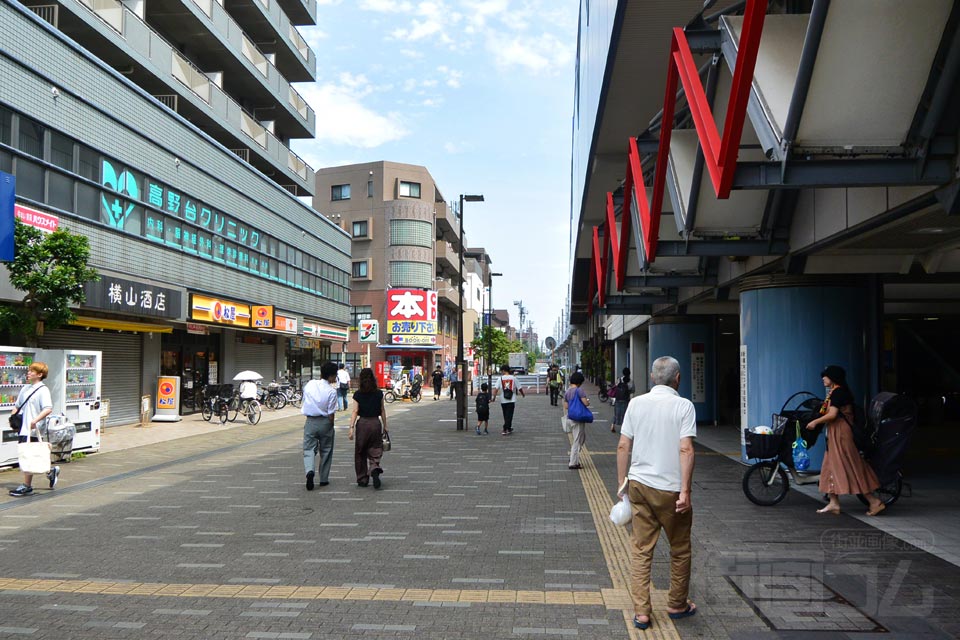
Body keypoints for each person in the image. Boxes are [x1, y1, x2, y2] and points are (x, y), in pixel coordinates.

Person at [617, 356, 697, 630]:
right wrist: (685, 491)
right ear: (678, 378)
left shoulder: (636, 404)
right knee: (680, 547)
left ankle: (642, 613)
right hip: (671, 488)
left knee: (640, 551)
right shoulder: (684, 406)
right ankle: (677, 604)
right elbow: (686, 449)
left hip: (639, 484)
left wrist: (621, 484)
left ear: (652, 378)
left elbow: (623, 446)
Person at [806, 365, 885, 516]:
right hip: (836, 432)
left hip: (841, 433)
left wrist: (816, 422)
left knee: (850, 465)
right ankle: (834, 503)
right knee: (829, 465)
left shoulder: (838, 393)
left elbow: (833, 415)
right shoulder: (834, 392)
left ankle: (874, 501)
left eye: (826, 376)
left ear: (833, 377)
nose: (823, 378)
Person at [9, 362, 57, 497]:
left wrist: (35, 421)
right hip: (23, 428)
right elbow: (17, 405)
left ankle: (27, 486)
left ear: (40, 375)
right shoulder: (25, 389)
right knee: (30, 455)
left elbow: (48, 408)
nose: (28, 373)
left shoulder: (43, 390)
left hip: (35, 429)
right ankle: (50, 471)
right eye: (28, 370)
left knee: (29, 456)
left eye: (32, 371)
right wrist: (13, 418)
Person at [301, 362, 339, 490]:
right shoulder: (331, 391)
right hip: (325, 421)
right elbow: (331, 412)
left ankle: (309, 471)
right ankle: (323, 478)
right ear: (331, 376)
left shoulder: (310, 384)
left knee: (308, 449)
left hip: (310, 421)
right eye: (335, 375)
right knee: (326, 450)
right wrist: (331, 425)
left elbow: (305, 397)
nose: (335, 378)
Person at [349, 368, 388, 489]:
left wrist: (351, 427)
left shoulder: (358, 394)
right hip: (376, 423)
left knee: (360, 452)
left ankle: (362, 479)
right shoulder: (378, 393)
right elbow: (382, 410)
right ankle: (374, 467)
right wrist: (385, 425)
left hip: (363, 424)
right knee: (375, 448)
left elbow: (355, 411)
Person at [563, 371, 590, 469]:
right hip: (578, 418)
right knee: (577, 440)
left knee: (580, 438)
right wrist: (587, 402)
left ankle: (573, 458)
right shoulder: (579, 390)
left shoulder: (567, 391)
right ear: (579, 382)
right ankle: (573, 462)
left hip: (571, 417)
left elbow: (566, 406)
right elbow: (585, 403)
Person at [493, 364, 524, 435]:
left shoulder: (500, 378)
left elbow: (496, 389)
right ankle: (506, 428)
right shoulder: (513, 378)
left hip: (503, 399)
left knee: (505, 414)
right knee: (510, 414)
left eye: (501, 371)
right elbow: (519, 387)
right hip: (512, 399)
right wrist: (522, 394)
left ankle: (508, 427)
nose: (501, 372)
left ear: (503, 370)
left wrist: (494, 397)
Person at [612, 367, 635, 433]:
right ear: (629, 373)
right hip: (626, 399)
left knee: (616, 412)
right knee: (625, 413)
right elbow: (633, 390)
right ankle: (623, 427)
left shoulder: (619, 379)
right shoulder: (630, 381)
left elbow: (615, 387)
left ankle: (613, 425)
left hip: (618, 398)